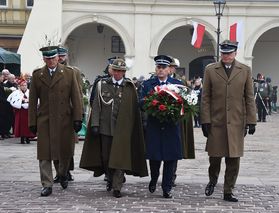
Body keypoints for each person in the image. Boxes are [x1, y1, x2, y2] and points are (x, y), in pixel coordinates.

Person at [79, 58, 148, 198]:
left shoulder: (129, 87)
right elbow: (97, 106)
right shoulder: (102, 85)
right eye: (115, 70)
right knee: (106, 157)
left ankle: (117, 186)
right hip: (105, 128)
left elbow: (134, 110)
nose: (117, 73)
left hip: (123, 130)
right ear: (111, 70)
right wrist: (95, 125)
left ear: (124, 73)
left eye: (121, 71)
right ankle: (109, 177)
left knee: (120, 158)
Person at [201, 40, 257, 202]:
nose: (226, 56)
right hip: (216, 121)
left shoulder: (245, 70)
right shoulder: (211, 70)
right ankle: (213, 180)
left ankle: (228, 190)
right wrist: (205, 120)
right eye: (224, 53)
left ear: (235, 53)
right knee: (215, 157)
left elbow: (248, 97)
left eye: (229, 53)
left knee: (234, 159)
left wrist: (251, 121)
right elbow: (206, 97)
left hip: (236, 121)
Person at [28, 46, 83, 197]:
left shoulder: (69, 73)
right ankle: (47, 184)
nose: (51, 61)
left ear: (58, 58)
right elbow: (32, 100)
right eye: (47, 59)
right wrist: (32, 121)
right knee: (44, 153)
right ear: (44, 59)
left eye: (53, 58)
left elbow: (76, 97)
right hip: (45, 119)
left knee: (63, 152)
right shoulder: (38, 75)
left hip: (64, 119)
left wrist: (78, 118)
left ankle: (63, 173)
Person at [140, 55, 183, 198]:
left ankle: (167, 187)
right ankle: (153, 178)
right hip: (155, 125)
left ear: (169, 70)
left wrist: (173, 109)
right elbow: (141, 102)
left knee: (171, 158)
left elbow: (185, 104)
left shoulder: (177, 84)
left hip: (171, 126)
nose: (160, 70)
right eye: (158, 67)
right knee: (155, 157)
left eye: (163, 67)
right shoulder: (148, 84)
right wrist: (153, 105)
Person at [50, 45, 84, 183]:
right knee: (54, 145)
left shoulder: (73, 71)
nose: (61, 58)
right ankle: (59, 172)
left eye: (63, 55)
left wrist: (78, 114)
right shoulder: (49, 71)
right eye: (59, 55)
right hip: (54, 113)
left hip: (68, 114)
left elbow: (79, 93)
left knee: (68, 145)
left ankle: (66, 170)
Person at [169, 56, 195, 187]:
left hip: (176, 119)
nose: (170, 69)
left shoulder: (180, 81)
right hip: (161, 119)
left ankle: (172, 175)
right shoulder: (155, 80)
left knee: (174, 149)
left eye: (172, 66)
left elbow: (187, 99)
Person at [7, 77, 35, 144]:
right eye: (22, 85)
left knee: (28, 124)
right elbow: (11, 100)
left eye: (25, 85)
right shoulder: (16, 92)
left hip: (28, 111)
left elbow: (36, 100)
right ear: (20, 86)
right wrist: (21, 100)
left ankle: (28, 138)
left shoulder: (30, 92)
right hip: (20, 111)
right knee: (21, 125)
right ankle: (22, 138)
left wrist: (29, 101)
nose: (24, 87)